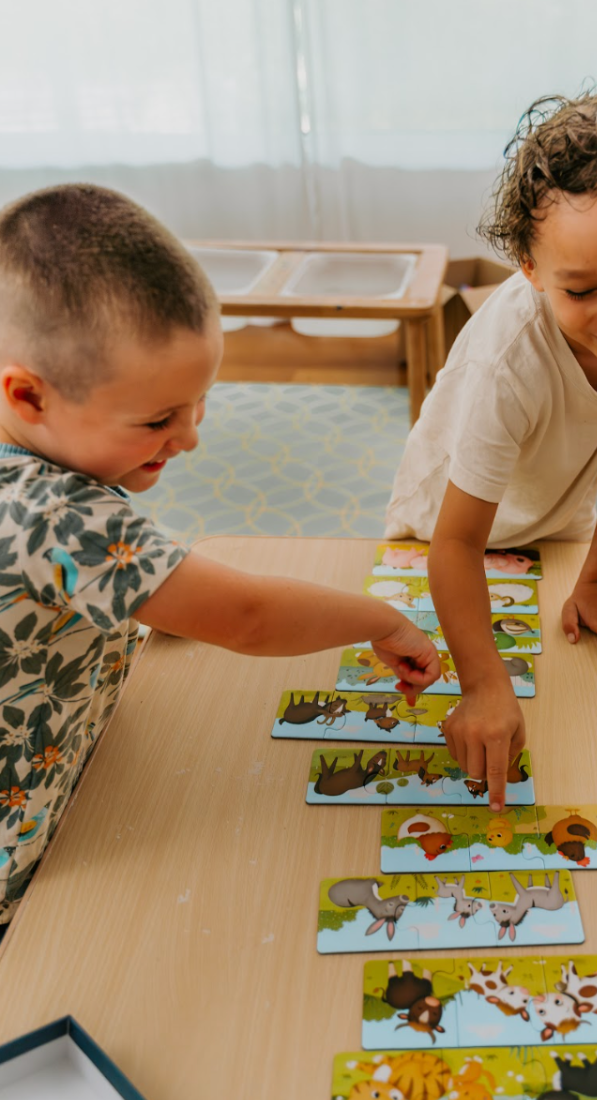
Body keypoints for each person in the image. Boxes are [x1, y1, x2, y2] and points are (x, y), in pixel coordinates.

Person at [0, 183, 440, 932]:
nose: (191, 438)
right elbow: (249, 617)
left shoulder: (43, 464)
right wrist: (383, 620)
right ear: (29, 397)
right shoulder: (53, 515)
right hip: (24, 844)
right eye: (157, 419)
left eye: (200, 403)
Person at [384, 74, 597, 811]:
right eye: (580, 291)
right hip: (443, 531)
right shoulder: (509, 358)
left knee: (579, 725)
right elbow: (454, 546)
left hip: (557, 518)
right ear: (531, 270)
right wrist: (482, 683)